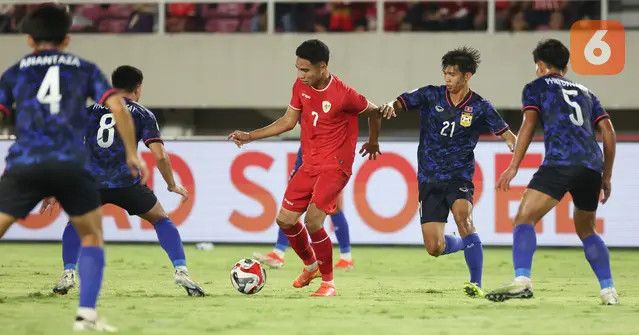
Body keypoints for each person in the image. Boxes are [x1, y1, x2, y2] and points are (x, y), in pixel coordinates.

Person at [0, 4, 146, 331]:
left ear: (28, 39)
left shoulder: (15, 72)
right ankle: (87, 316)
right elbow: (118, 108)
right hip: (70, 164)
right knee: (92, 236)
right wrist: (131, 155)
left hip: (26, 162)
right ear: (67, 39)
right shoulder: (84, 68)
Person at [229, 39, 382, 296]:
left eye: (305, 70)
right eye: (298, 69)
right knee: (285, 220)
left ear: (322, 67)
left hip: (336, 166)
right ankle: (311, 266)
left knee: (313, 221)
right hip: (309, 164)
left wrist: (373, 141)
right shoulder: (301, 86)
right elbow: (288, 121)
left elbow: (375, 112)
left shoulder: (344, 94)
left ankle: (329, 283)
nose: (300, 75)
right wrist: (250, 136)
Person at [45, 65, 205, 298]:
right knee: (161, 219)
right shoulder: (142, 114)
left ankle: (68, 273)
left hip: (91, 183)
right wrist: (171, 184)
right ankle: (181, 270)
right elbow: (160, 155)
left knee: (75, 223)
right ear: (138, 88)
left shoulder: (89, 112)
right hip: (127, 184)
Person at [485, 39, 618, 305]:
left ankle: (522, 281)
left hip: (560, 161)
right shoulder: (587, 93)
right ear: (565, 66)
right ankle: (609, 291)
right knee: (587, 229)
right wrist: (606, 175)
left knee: (524, 218)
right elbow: (609, 133)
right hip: (591, 165)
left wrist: (513, 166)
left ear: (540, 65)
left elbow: (528, 125)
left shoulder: (536, 87)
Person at [380, 47, 516, 297]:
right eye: (445, 73)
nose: (448, 79)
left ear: (468, 76)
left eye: (453, 74)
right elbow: (400, 102)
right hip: (429, 178)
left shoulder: (480, 106)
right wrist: (390, 106)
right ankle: (464, 242)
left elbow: (508, 135)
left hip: (459, 176)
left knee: (464, 217)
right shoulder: (431, 95)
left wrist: (513, 147)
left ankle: (475, 283)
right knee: (434, 247)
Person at [254, 147, 354, 270]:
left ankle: (346, 258)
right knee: (292, 205)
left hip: (329, 154)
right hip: (308, 153)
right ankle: (278, 253)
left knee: (334, 207)